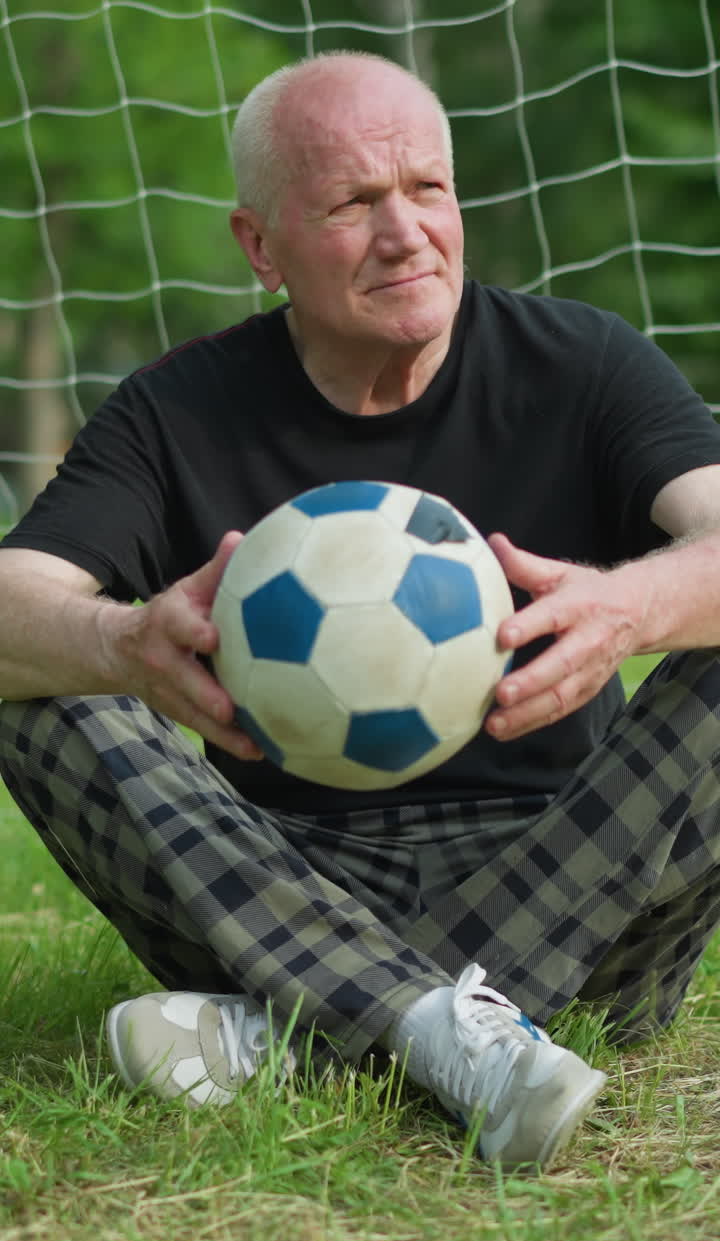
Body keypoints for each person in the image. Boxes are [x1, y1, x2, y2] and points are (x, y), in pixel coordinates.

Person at [1, 50, 720, 1172]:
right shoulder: (176, 409)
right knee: (38, 672)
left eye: (427, 189)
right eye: (352, 203)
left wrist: (631, 608)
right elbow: (17, 597)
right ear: (259, 243)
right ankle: (446, 1033)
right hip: (271, 875)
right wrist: (121, 642)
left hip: (580, 876)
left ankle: (315, 1032)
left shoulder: (581, 364)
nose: (405, 233)